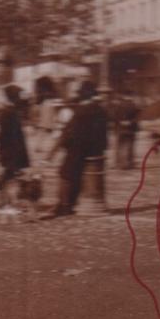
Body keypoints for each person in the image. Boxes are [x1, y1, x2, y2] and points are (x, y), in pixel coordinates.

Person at [46, 81, 108, 218]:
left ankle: (64, 205)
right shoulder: (101, 110)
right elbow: (104, 133)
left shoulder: (81, 112)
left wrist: (53, 152)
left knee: (65, 174)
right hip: (96, 151)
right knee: (76, 176)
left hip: (77, 149)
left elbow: (69, 134)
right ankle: (69, 204)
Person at [0, 85, 30, 207]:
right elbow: (12, 135)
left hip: (9, 149)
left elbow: (3, 135)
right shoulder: (11, 112)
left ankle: (6, 200)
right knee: (10, 175)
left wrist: (0, 149)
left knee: (9, 175)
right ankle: (6, 201)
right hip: (13, 150)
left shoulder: (8, 112)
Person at [113, 93, 140, 171]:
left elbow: (114, 116)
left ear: (124, 96)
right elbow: (138, 117)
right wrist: (130, 122)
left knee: (119, 146)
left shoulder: (118, 105)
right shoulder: (134, 105)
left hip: (120, 128)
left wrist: (120, 122)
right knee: (130, 146)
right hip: (130, 129)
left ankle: (118, 163)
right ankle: (129, 163)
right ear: (130, 96)